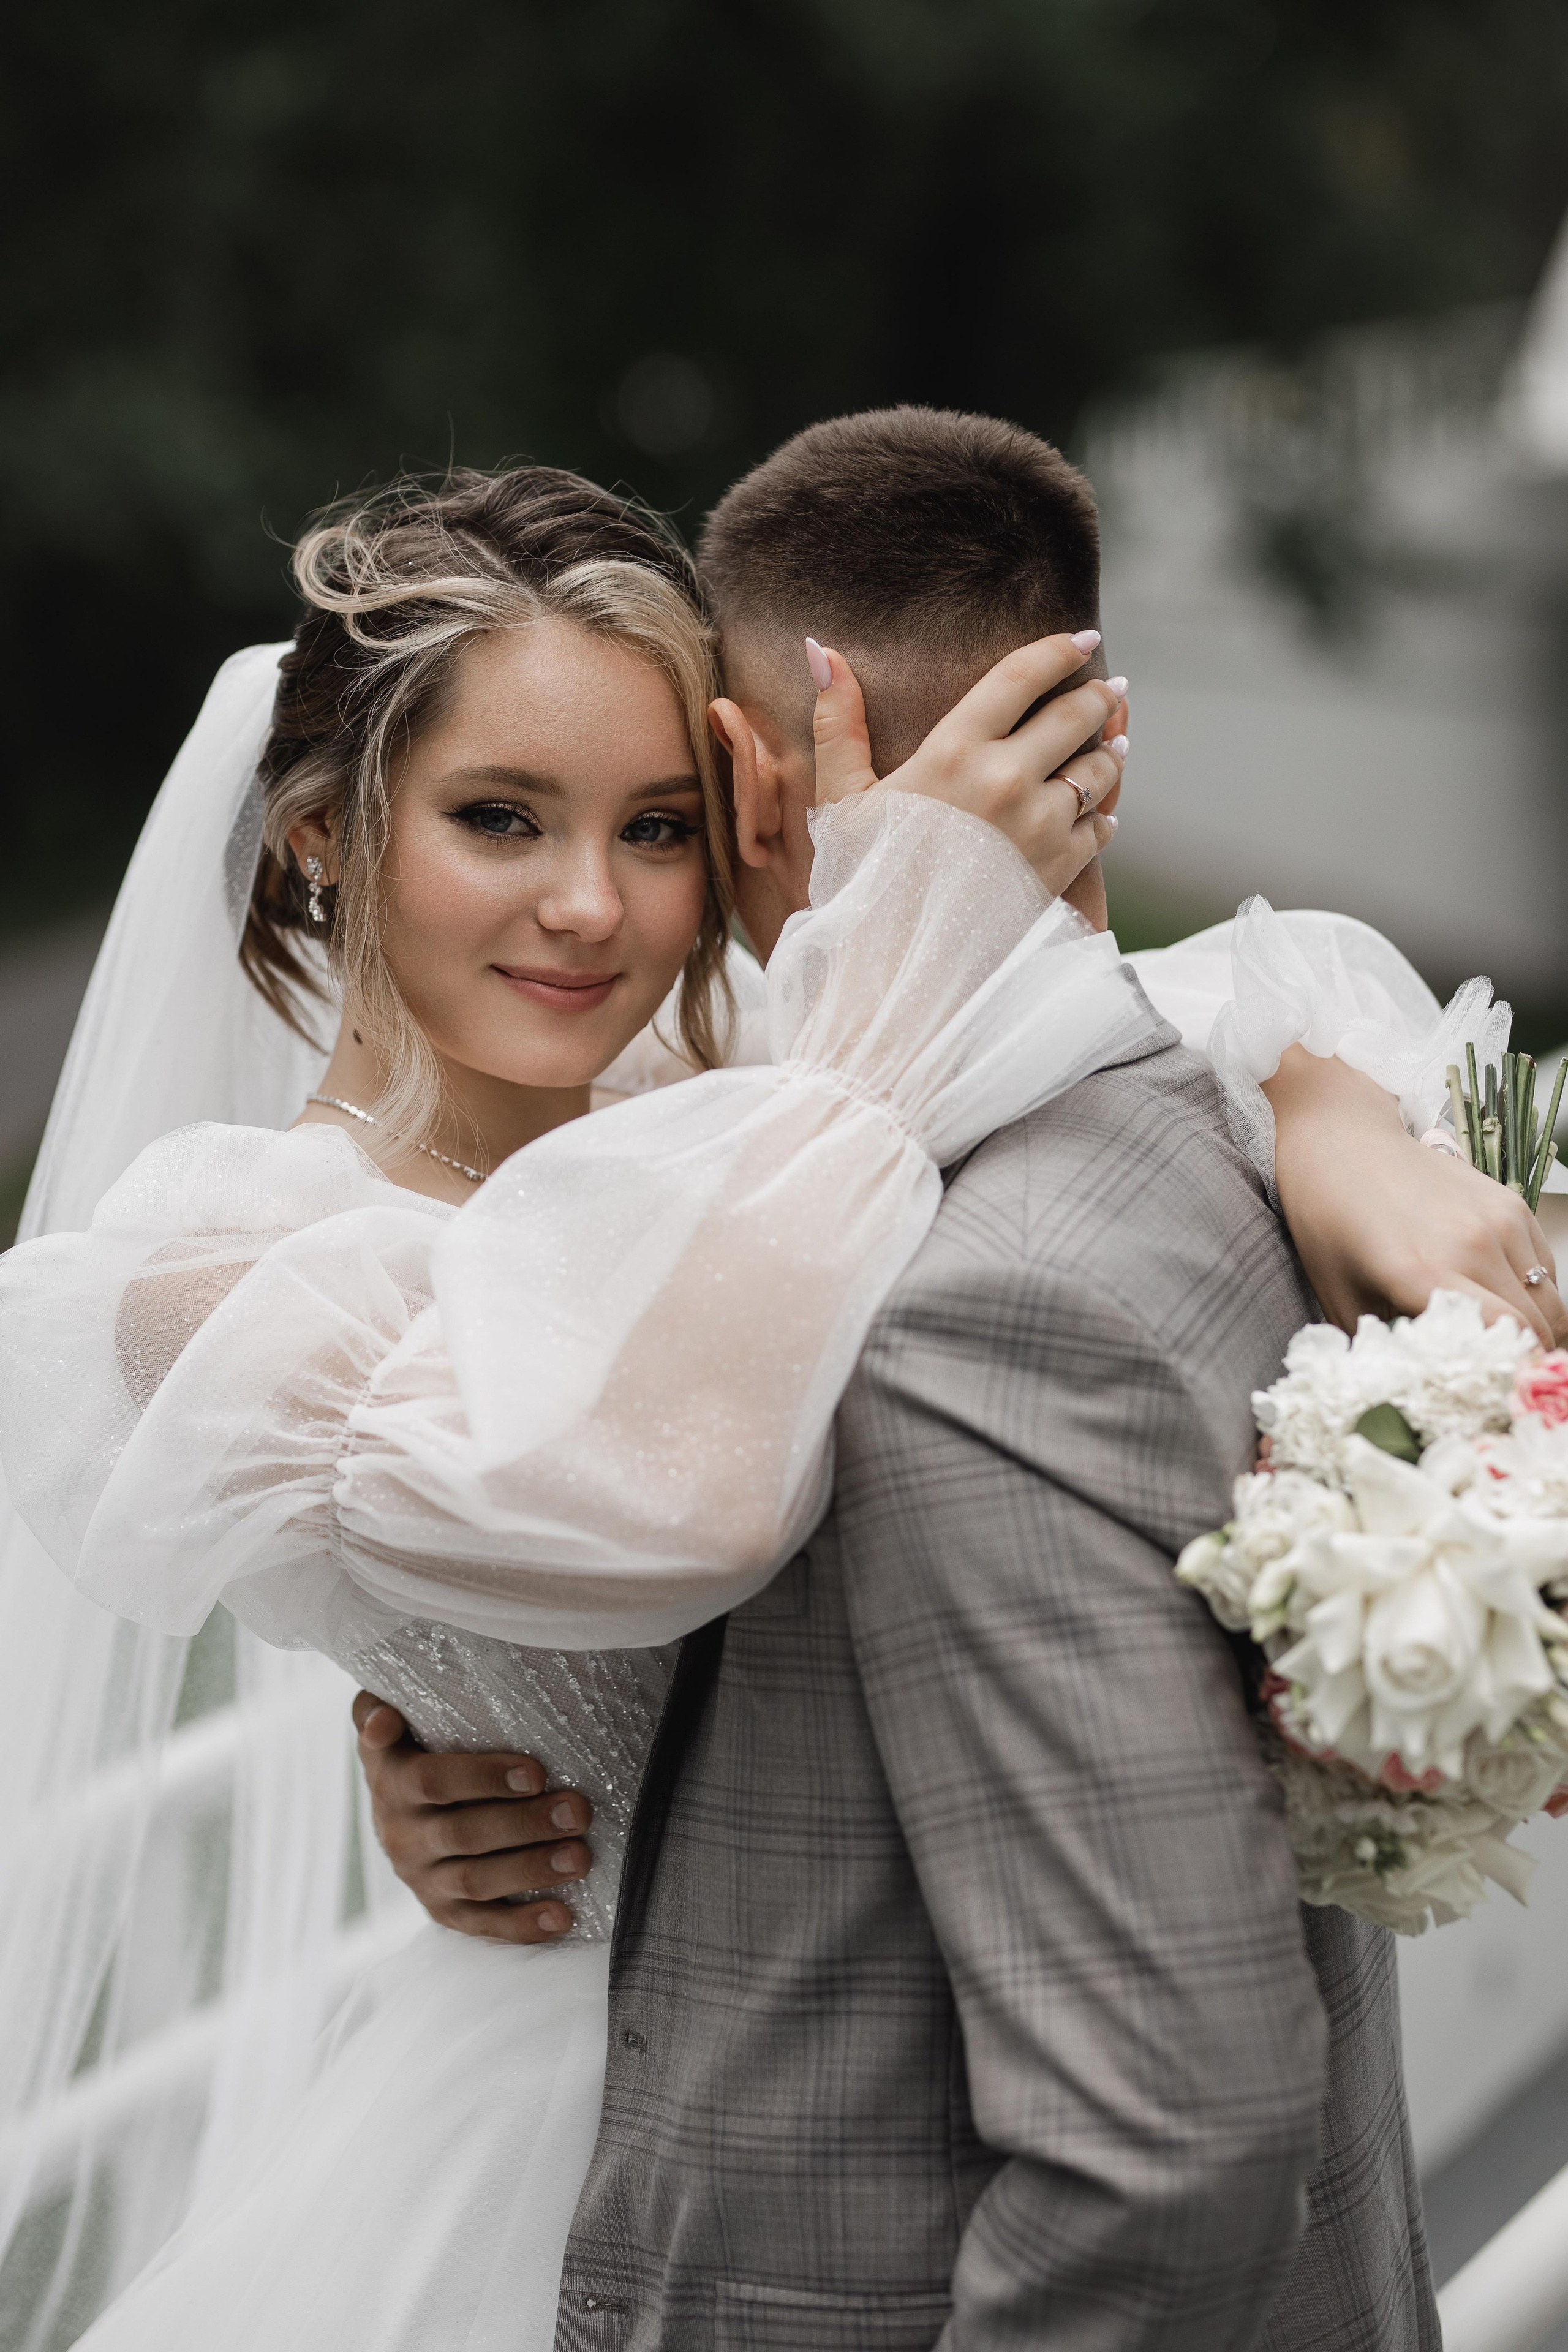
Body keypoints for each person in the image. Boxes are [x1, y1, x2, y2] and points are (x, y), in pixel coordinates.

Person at [0, 429, 1553, 2351]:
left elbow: (1235, 980)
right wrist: (897, 967)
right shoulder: (211, 1270)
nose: (590, 905)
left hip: (894, 2104)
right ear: (325, 832)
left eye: (658, 828)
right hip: (584, 2134)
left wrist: (1332, 1112)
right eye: (501, 818)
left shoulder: (738, 1106)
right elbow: (675, 1495)